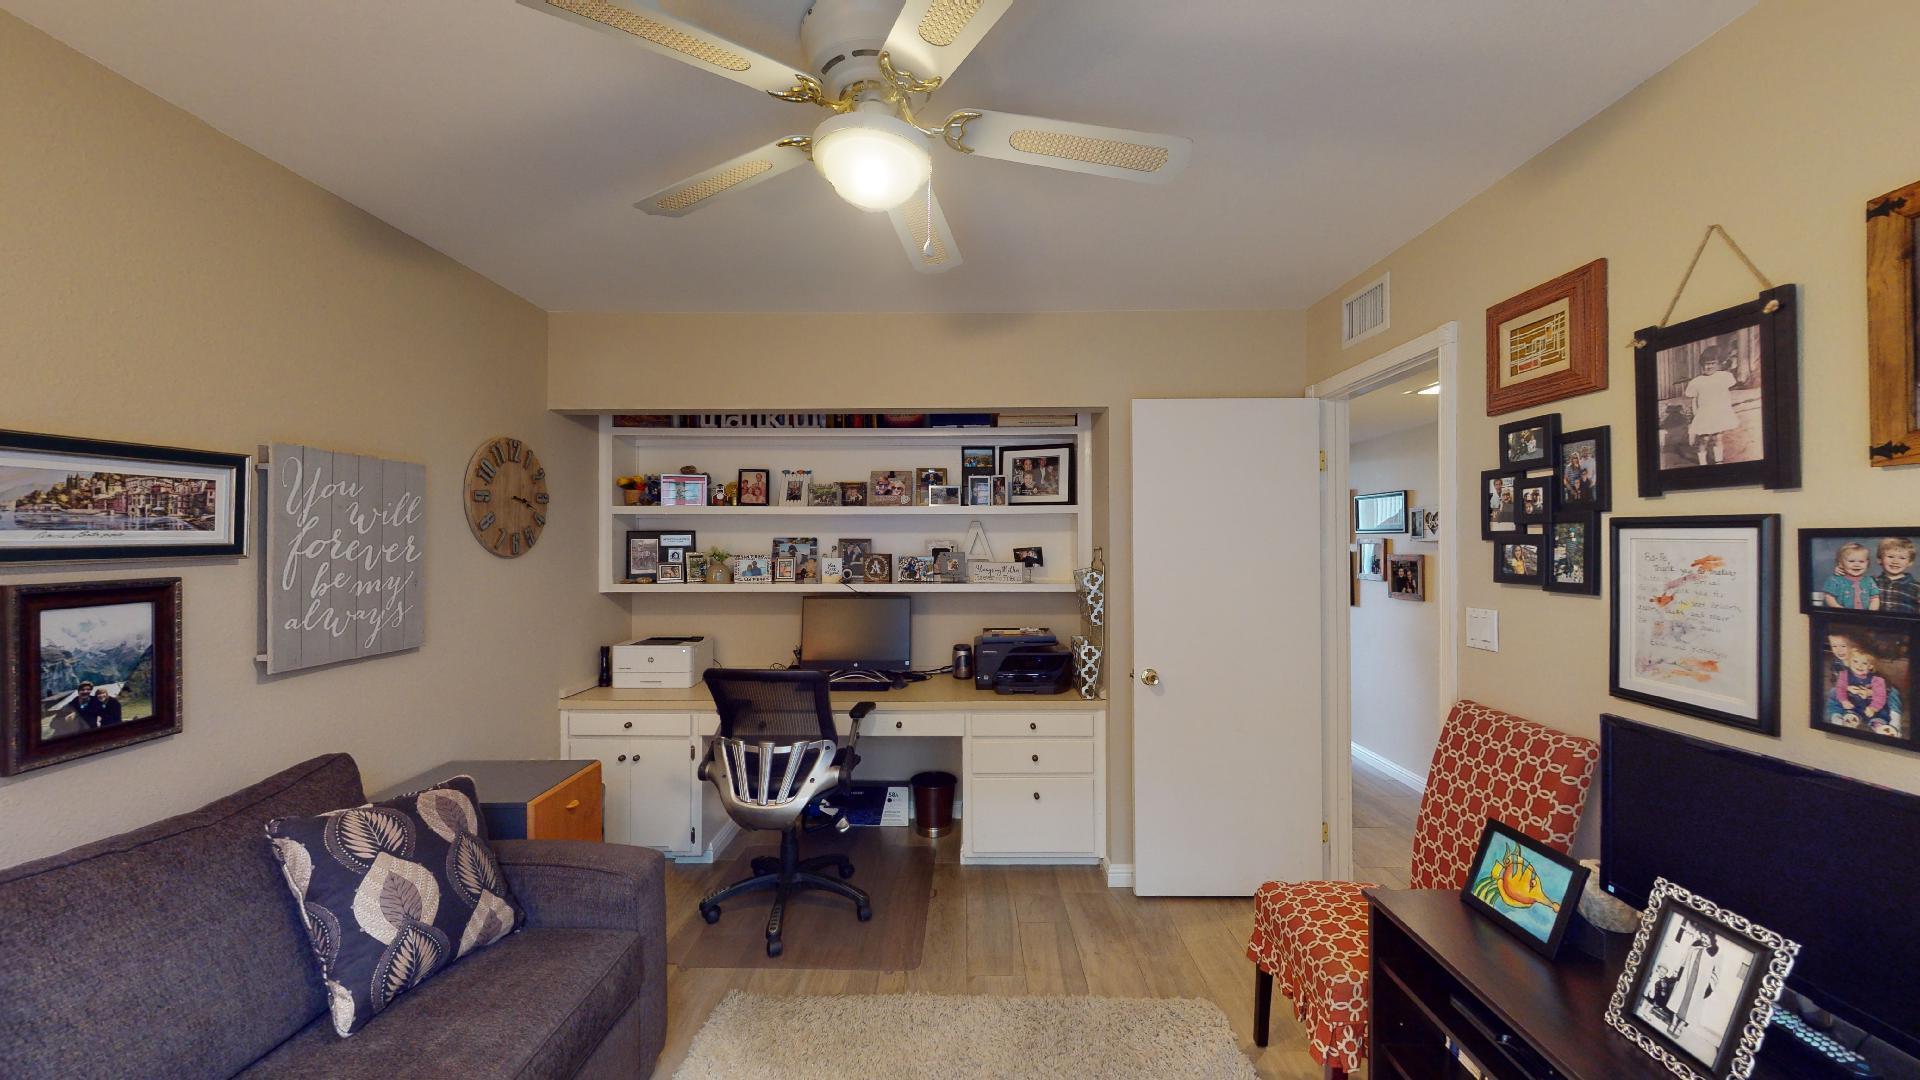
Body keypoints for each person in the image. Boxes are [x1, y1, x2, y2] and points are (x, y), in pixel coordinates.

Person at [1684, 346, 1742, 466]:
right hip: (1704, 414)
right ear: (1701, 365)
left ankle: (1718, 461)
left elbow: (1726, 392)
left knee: (1718, 437)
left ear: (1718, 364)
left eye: (1712, 363)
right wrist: (1694, 416)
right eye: (1706, 364)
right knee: (1704, 439)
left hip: (1718, 413)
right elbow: (1694, 400)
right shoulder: (1697, 381)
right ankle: (1703, 463)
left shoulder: (1724, 376)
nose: (1708, 367)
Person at [1834, 646, 1892, 732]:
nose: (1859, 665)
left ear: (1871, 666)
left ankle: (1877, 724)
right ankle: (1851, 719)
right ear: (1849, 662)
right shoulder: (1844, 675)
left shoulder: (1877, 680)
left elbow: (1880, 696)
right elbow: (1840, 689)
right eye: (1855, 661)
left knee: (1881, 714)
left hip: (1873, 706)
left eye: (1864, 663)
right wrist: (1844, 700)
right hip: (1853, 705)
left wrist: (1873, 708)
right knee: (1847, 710)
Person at [1822, 542, 1882, 610]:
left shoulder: (1869, 581)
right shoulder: (1834, 580)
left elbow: (1875, 599)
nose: (1856, 564)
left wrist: (1871, 612)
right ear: (1841, 563)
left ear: (1867, 563)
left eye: (1861, 561)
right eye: (1851, 561)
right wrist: (1839, 609)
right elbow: (1829, 597)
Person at [1875, 537, 1919, 614]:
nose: (1895, 561)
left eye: (1902, 558)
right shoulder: (1871, 582)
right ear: (1879, 559)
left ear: (1910, 562)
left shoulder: (1916, 587)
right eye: (1890, 556)